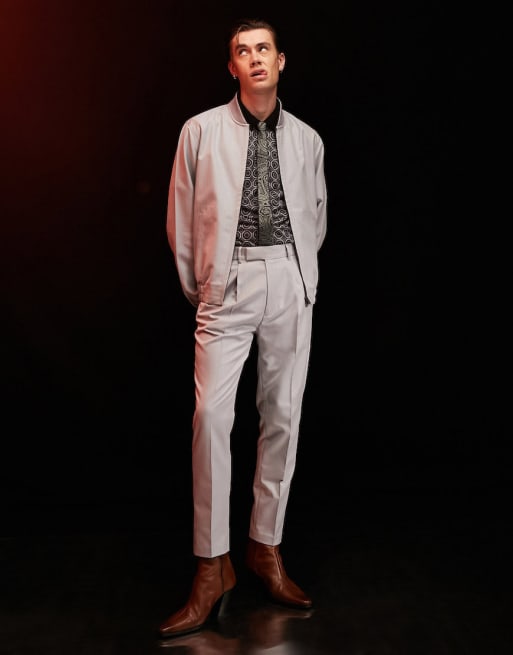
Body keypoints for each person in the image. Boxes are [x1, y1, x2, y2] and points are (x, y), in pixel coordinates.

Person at [159, 17, 328, 639]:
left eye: (264, 49)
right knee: (211, 417)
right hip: (225, 282)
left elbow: (316, 215)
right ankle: (212, 564)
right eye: (242, 51)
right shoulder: (200, 131)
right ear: (231, 66)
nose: (254, 58)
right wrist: (204, 282)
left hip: (289, 279)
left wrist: (299, 277)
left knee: (283, 414)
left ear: (280, 61)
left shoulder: (308, 139)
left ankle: (265, 547)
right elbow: (181, 217)